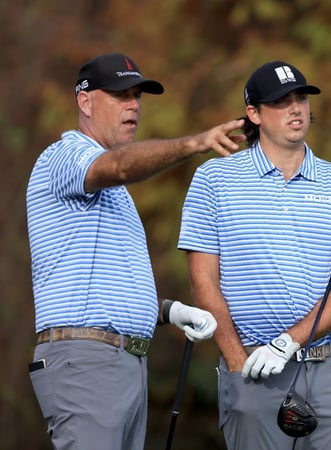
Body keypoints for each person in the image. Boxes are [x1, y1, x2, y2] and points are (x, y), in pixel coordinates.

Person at [25, 52, 248, 449]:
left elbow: (105, 282)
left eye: (137, 96)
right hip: (86, 362)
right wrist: (195, 142)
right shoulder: (63, 157)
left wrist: (168, 311)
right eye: (120, 95)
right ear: (85, 101)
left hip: (121, 364)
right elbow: (121, 166)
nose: (133, 105)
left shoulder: (114, 195)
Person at [178, 60, 331, 449]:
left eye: (300, 98)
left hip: (328, 368)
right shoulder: (213, 180)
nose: (296, 109)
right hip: (251, 368)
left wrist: (288, 342)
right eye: (281, 102)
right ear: (253, 113)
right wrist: (236, 366)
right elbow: (204, 283)